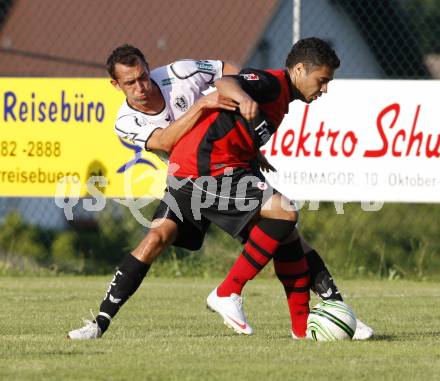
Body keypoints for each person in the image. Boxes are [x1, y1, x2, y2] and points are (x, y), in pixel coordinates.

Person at [67, 43, 373, 340]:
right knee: (157, 238)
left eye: (144, 76)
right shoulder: (125, 121)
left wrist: (243, 115)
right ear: (116, 84)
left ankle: (335, 314)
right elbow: (164, 142)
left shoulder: (179, 72)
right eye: (131, 82)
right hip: (194, 170)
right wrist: (209, 103)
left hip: (217, 161)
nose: (142, 86)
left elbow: (226, 73)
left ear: (149, 68)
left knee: (289, 235)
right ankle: (100, 323)